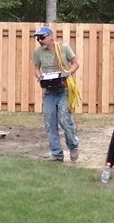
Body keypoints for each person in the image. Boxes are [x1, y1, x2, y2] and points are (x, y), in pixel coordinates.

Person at [32, 27, 80, 161]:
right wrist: (39, 76)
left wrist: (68, 73)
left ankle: (73, 145)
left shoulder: (63, 48)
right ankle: (57, 154)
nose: (39, 40)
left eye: (42, 37)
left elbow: (76, 64)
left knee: (64, 120)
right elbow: (36, 68)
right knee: (49, 122)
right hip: (49, 92)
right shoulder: (38, 52)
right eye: (38, 38)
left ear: (50, 36)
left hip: (64, 90)